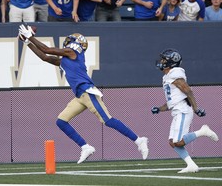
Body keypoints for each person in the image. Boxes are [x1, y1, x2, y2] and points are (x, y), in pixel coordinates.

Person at [18, 24, 149, 164]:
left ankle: (139, 140)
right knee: (61, 121)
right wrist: (27, 42)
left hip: (87, 92)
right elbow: (44, 56)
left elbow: (47, 49)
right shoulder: (66, 59)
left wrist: (31, 37)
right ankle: (85, 147)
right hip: (80, 96)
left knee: (108, 120)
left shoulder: (74, 51)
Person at [151, 48, 219, 173]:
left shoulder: (175, 73)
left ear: (171, 62)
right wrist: (159, 109)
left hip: (182, 110)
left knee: (178, 141)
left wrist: (196, 108)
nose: (161, 61)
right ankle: (191, 165)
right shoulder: (167, 76)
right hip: (177, 110)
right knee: (172, 142)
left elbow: (187, 90)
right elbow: (172, 101)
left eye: (164, 59)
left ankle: (203, 131)